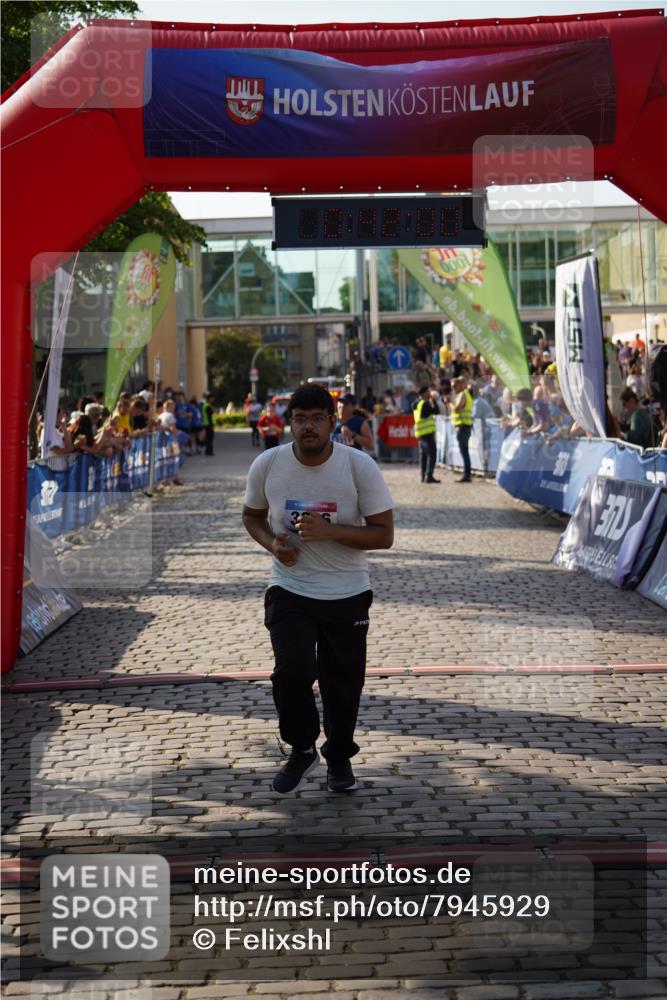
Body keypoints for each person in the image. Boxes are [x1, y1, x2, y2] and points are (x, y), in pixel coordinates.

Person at [242, 384, 394, 795]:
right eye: (300, 418)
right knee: (291, 672)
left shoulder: (358, 466)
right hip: (289, 587)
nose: (308, 427)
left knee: (342, 683)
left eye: (316, 418)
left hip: (347, 592)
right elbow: (252, 516)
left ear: (332, 421)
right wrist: (272, 543)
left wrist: (330, 532)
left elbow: (384, 535)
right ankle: (302, 746)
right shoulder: (268, 464)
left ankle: (340, 756)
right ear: (289, 422)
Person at [412, 384, 440, 484]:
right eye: (428, 392)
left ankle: (423, 476)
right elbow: (436, 411)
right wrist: (434, 402)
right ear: (424, 393)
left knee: (423, 456)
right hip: (426, 433)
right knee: (432, 454)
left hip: (420, 433)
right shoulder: (424, 403)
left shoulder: (416, 403)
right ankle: (429, 475)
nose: (429, 394)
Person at [451, 375, 473, 482]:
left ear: (460, 385)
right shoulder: (464, 394)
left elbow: (456, 410)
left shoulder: (462, 395)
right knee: (464, 452)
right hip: (464, 426)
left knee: (464, 452)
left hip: (463, 427)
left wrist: (449, 404)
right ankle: (466, 474)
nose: (453, 388)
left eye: (454, 386)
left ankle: (466, 475)